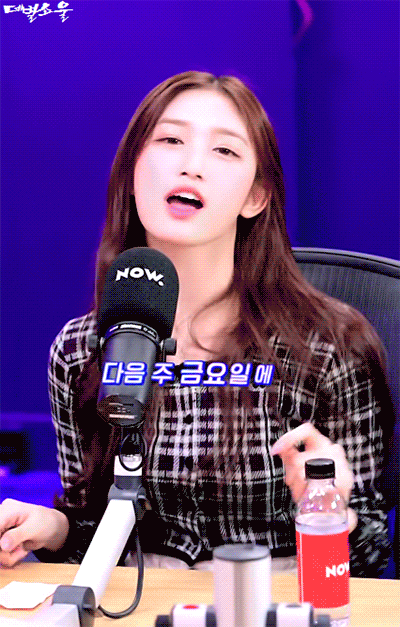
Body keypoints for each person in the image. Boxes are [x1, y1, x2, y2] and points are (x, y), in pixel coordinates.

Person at [0, 71, 394, 576]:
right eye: (170, 141)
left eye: (224, 150)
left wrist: (330, 511)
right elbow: (92, 537)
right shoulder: (81, 350)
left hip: (276, 598)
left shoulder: (326, 347)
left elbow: (369, 558)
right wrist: (52, 528)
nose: (191, 165)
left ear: (256, 197)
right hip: (141, 603)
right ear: (133, 173)